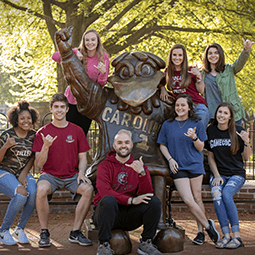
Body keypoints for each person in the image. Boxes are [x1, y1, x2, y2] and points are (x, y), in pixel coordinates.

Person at [157, 94, 219, 245]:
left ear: (189, 107)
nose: (179, 108)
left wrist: (194, 137)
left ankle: (200, 232)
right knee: (188, 199)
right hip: (178, 166)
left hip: (195, 165)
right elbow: (162, 144)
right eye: (177, 105)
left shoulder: (196, 123)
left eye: (183, 105)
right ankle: (208, 227)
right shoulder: (168, 124)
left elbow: (201, 147)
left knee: (197, 198)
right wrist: (170, 159)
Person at [32, 93, 93, 247]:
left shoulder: (77, 131)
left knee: (88, 189)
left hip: (72, 175)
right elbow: (39, 164)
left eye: (62, 107)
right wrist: (46, 146)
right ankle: (44, 231)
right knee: (40, 190)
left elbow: (83, 158)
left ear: (67, 109)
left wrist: (81, 173)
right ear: (51, 109)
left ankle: (75, 232)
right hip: (50, 175)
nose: (59, 110)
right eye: (56, 107)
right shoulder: (42, 133)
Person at [93, 129, 162, 255]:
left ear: (131, 145)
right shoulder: (104, 165)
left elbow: (146, 193)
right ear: (114, 146)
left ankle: (146, 242)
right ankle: (103, 245)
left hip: (130, 215)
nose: (123, 145)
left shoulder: (139, 166)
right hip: (107, 216)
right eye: (119, 143)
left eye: (126, 142)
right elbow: (104, 192)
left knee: (153, 202)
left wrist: (142, 173)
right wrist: (130, 200)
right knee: (108, 199)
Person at [205, 102, 252, 249]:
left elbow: (246, 157)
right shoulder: (210, 131)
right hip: (219, 174)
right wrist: (217, 175)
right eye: (220, 112)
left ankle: (237, 237)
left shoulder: (238, 131)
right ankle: (226, 236)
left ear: (230, 116)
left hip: (236, 174)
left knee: (226, 194)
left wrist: (247, 142)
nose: (222, 115)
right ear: (216, 114)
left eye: (225, 113)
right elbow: (210, 157)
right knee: (217, 194)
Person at [52, 28, 110, 135]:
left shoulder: (103, 57)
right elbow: (55, 56)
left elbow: (102, 83)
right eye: (87, 40)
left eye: (93, 40)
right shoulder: (76, 52)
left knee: (81, 135)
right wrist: (73, 54)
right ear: (83, 41)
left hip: (87, 102)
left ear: (98, 41)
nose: (90, 43)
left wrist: (103, 72)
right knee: (66, 134)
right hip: (71, 99)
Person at [0, 101, 39, 245]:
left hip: (21, 172)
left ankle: (19, 229)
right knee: (21, 194)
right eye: (22, 118)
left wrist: (23, 174)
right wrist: (5, 146)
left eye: (28, 118)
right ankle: (3, 231)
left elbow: (32, 157)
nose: (26, 121)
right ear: (16, 119)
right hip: (4, 171)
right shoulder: (7, 135)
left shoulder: (34, 136)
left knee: (33, 191)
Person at [202, 39, 254, 125]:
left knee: (234, 138)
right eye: (210, 53)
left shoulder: (228, 69)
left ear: (220, 55)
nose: (213, 55)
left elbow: (240, 62)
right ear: (206, 56)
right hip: (213, 116)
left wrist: (246, 49)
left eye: (216, 53)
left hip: (232, 114)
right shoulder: (203, 74)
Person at [159, 44, 209, 129]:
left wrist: (199, 76)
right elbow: (159, 83)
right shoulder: (168, 72)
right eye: (174, 55)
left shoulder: (191, 70)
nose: (177, 58)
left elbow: (201, 91)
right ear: (170, 56)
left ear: (184, 57)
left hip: (196, 106)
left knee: (197, 136)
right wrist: (162, 89)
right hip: (180, 108)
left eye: (180, 55)